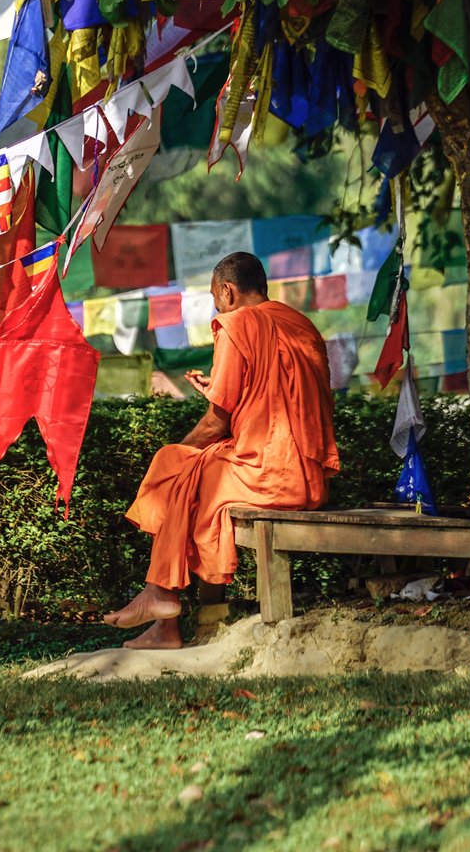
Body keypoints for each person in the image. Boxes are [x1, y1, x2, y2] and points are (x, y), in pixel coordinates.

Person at [103, 251, 339, 649]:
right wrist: (219, 389)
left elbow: (219, 421)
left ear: (227, 291)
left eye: (215, 298)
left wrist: (184, 447)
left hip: (266, 474)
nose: (217, 306)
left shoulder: (236, 324)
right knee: (190, 474)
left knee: (178, 469)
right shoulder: (301, 324)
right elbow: (279, 395)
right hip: (309, 478)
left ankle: (160, 593)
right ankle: (164, 623)